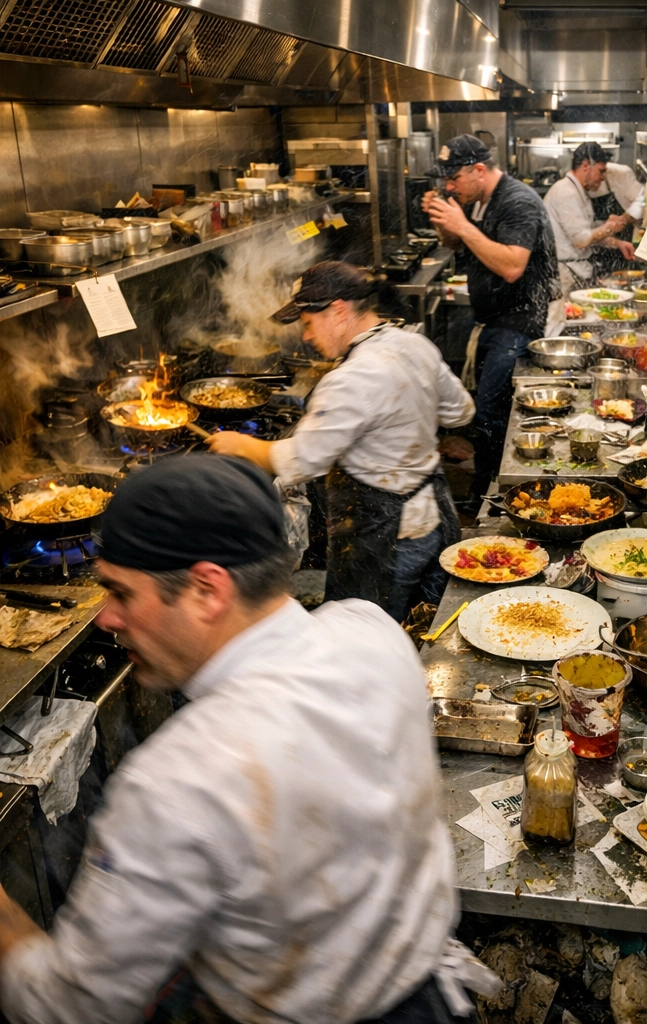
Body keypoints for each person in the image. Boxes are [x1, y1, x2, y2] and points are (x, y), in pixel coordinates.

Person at [0, 456, 499, 1023]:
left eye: (121, 593)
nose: (107, 619)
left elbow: (70, 1007)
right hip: (428, 998)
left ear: (207, 590)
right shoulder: (371, 630)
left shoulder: (176, 782)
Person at [209, 261, 474, 621]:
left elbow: (301, 461)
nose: (305, 337)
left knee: (369, 635)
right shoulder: (414, 344)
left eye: (307, 323)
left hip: (387, 541)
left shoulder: (349, 379)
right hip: (438, 519)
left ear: (337, 311)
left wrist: (241, 446)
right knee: (424, 624)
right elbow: (460, 410)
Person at [422, 134, 559, 507]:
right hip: (494, 321)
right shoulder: (479, 199)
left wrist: (462, 225)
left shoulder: (517, 202)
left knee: (491, 415)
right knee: (488, 413)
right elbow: (456, 244)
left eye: (454, 179)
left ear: (478, 170)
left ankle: (492, 498)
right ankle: (486, 491)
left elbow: (513, 266)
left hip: (519, 322)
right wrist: (444, 221)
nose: (449, 187)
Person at [543, 141, 645, 293]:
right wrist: (610, 227)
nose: (603, 178)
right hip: (564, 275)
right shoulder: (566, 192)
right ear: (586, 165)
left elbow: (589, 232)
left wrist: (618, 243)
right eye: (601, 171)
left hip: (575, 271)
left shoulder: (578, 192)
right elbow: (582, 240)